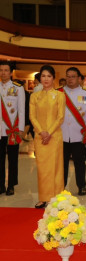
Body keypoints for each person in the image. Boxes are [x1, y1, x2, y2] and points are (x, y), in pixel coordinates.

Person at [29, 65, 65, 208]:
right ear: (40, 78)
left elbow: (60, 117)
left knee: (56, 168)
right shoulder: (34, 96)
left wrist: (49, 132)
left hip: (54, 136)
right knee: (42, 169)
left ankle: (56, 198)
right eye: (43, 76)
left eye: (49, 76)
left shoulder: (60, 95)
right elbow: (32, 116)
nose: (46, 79)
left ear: (53, 78)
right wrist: (41, 132)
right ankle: (43, 197)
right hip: (40, 137)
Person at [59, 67, 86, 196]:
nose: (70, 79)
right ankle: (61, 187)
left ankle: (82, 186)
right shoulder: (59, 92)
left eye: (73, 76)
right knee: (62, 164)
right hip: (61, 135)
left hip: (78, 135)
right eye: (68, 76)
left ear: (79, 78)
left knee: (80, 163)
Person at [0, 61, 25, 196]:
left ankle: (11, 185)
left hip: (12, 130)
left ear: (10, 73)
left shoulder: (18, 88)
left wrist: (20, 129)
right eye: (1, 70)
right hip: (0, 130)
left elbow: (21, 110)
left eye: (5, 70)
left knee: (13, 159)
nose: (3, 73)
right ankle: (0, 185)